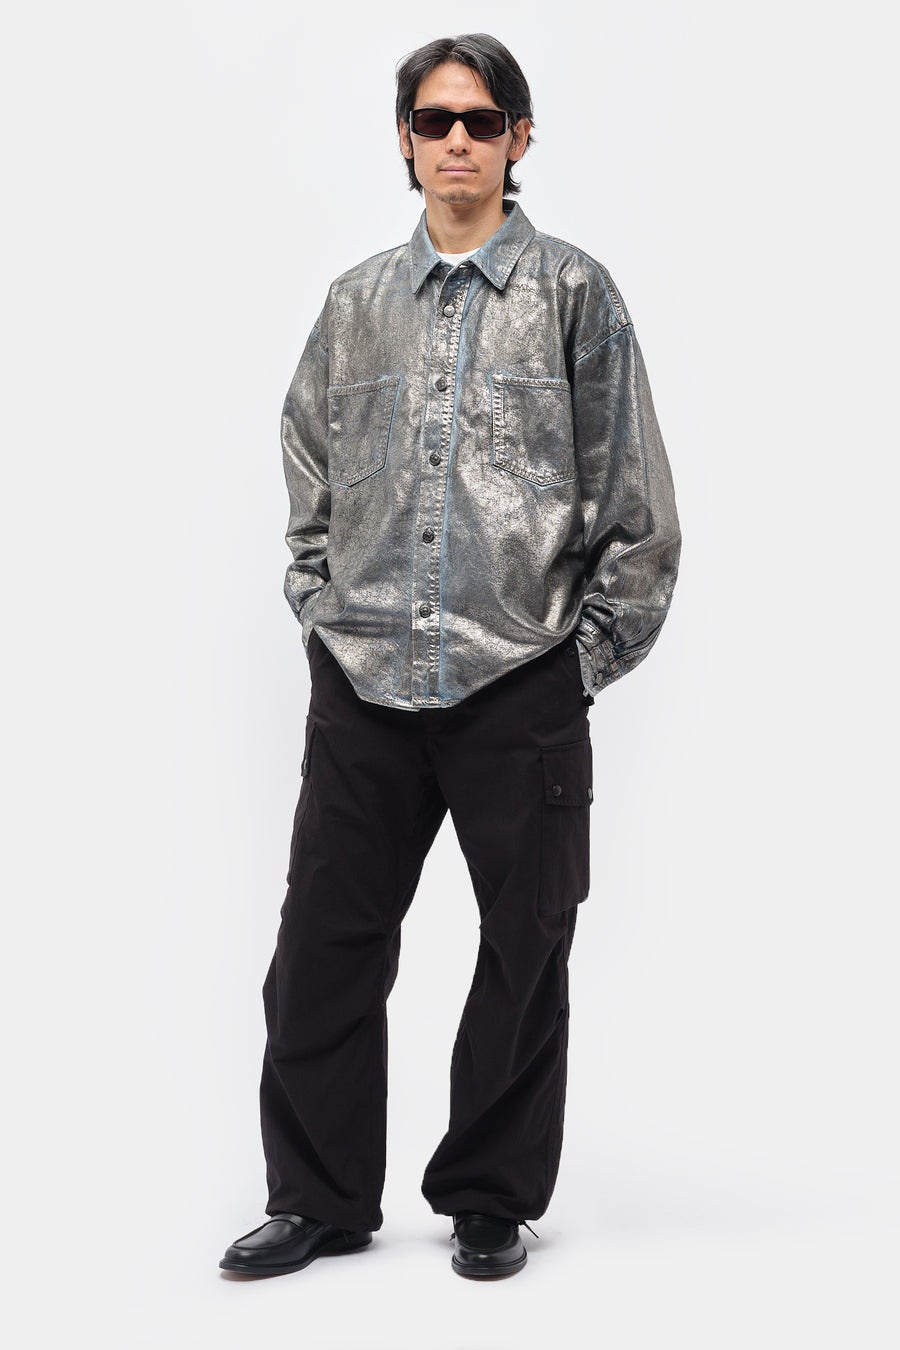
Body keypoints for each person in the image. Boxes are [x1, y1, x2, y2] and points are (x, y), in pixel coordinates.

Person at [220, 32, 680, 1281]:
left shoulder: (575, 294)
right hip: (364, 680)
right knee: (321, 949)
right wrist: (320, 609)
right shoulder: (355, 304)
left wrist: (575, 667)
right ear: (407, 142)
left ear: (520, 139)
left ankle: (488, 1194)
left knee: (524, 947)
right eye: (434, 121)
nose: (457, 141)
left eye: (481, 120)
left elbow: (636, 509)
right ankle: (317, 1199)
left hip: (518, 682)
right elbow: (309, 472)